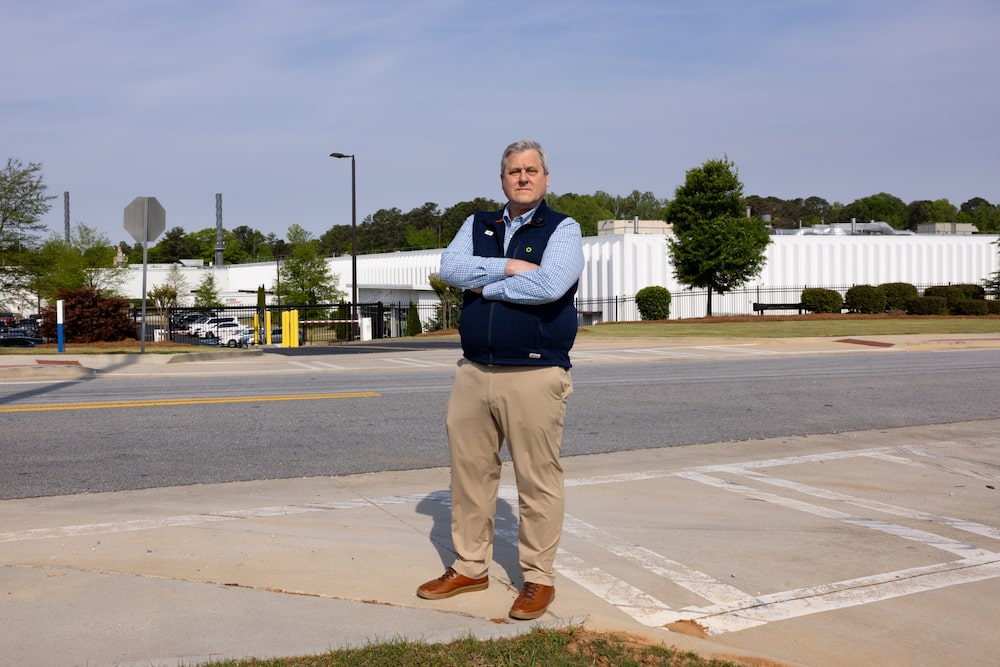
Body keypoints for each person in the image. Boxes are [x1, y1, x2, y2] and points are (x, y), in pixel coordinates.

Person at [416, 140, 584, 620]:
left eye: (532, 170)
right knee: (469, 475)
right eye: (514, 171)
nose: (523, 177)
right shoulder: (477, 224)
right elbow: (450, 269)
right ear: (502, 178)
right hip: (474, 372)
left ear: (546, 178)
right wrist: (508, 267)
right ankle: (470, 566)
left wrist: (483, 285)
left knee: (538, 481)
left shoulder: (563, 229)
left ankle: (538, 579)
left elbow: (551, 285)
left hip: (535, 372)